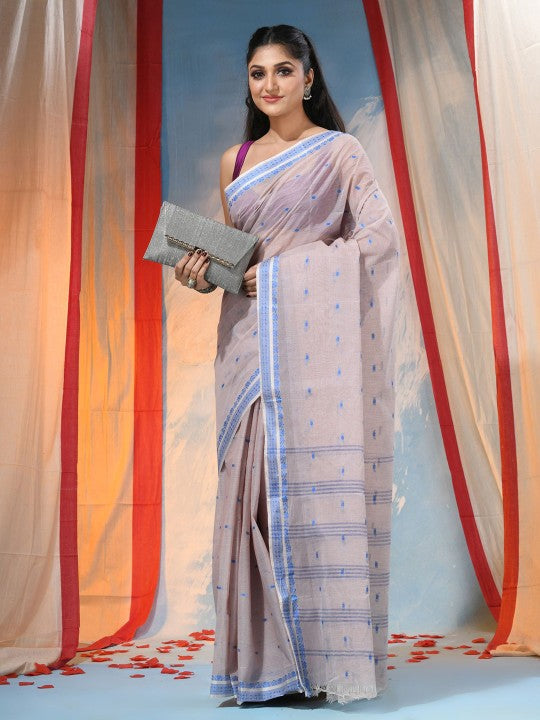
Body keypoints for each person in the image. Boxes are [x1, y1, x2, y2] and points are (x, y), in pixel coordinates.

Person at [174, 24, 399, 705]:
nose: (269, 85)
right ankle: (265, 668)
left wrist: (283, 274)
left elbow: (378, 240)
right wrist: (200, 273)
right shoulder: (236, 161)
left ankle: (316, 662)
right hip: (246, 344)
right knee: (251, 496)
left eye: (282, 70)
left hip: (312, 348)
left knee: (304, 489)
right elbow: (239, 260)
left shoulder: (340, 153)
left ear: (308, 77)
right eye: (257, 73)